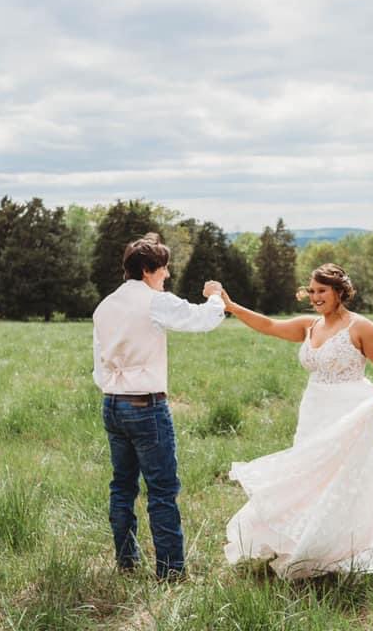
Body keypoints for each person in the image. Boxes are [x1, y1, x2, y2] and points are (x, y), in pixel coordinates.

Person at [221, 263, 373, 579]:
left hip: (349, 410)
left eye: (322, 291)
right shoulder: (308, 325)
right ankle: (307, 540)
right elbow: (269, 325)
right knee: (308, 474)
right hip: (315, 408)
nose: (315, 297)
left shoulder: (361, 327)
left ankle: (346, 544)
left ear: (339, 292)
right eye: (312, 291)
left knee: (345, 477)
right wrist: (231, 306)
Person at [92, 233, 226, 581]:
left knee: (122, 487)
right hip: (146, 406)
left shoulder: (104, 306)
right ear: (149, 269)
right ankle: (171, 573)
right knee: (163, 491)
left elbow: (99, 367)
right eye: (164, 268)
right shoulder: (155, 301)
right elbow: (201, 320)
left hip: (112, 404)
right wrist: (215, 298)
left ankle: (126, 561)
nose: (167, 275)